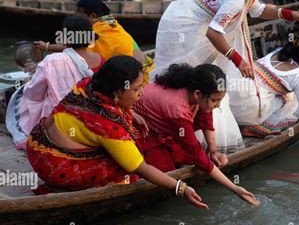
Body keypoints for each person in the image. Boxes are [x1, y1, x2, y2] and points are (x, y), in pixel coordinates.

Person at [152, 0, 299, 154]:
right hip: (183, 26)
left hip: (195, 22)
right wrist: (238, 60)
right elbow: (213, 32)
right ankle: (182, 128)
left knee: (206, 76)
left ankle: (188, 124)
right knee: (194, 75)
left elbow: (258, 10)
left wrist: (290, 14)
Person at [25, 56, 208, 208]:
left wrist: (132, 112)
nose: (142, 93)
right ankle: (68, 185)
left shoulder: (88, 84)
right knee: (124, 167)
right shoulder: (109, 126)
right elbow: (142, 168)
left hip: (36, 142)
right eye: (136, 89)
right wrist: (181, 188)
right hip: (55, 166)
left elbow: (111, 106)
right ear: (117, 92)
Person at [134, 63, 260, 205]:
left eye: (220, 100)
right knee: (165, 175)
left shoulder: (193, 90)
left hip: (165, 129)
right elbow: (195, 153)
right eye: (214, 100)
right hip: (143, 133)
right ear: (198, 94)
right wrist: (235, 188)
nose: (218, 105)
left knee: (191, 159)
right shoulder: (177, 108)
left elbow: (205, 116)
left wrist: (213, 150)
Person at [6, 16, 104, 150]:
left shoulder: (52, 61)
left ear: (66, 38)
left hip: (58, 121)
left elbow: (34, 93)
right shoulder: (101, 60)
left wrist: (29, 82)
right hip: (90, 118)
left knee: (21, 93)